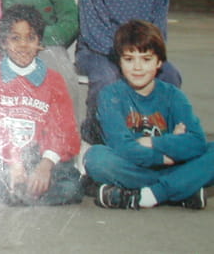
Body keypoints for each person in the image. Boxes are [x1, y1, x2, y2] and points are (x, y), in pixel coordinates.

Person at [85, 20, 214, 210]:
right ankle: (181, 189)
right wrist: (166, 156)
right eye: (129, 59)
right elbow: (121, 147)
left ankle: (149, 195)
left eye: (146, 59)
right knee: (96, 158)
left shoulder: (173, 95)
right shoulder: (110, 95)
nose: (137, 67)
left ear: (159, 62)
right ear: (119, 61)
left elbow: (197, 142)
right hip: (138, 165)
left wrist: (152, 142)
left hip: (165, 164)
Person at [78, 0, 182, 143]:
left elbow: (158, 31)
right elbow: (94, 31)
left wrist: (142, 57)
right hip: (99, 52)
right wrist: (126, 57)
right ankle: (99, 133)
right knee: (107, 77)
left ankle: (157, 135)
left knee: (170, 74)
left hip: (142, 52)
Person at [0, 5, 83, 206]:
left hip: (40, 155)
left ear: (39, 43)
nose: (23, 45)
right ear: (4, 42)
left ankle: (20, 195)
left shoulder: (54, 79)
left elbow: (64, 128)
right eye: (15, 38)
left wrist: (45, 165)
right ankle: (24, 194)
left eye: (31, 38)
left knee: (72, 186)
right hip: (5, 155)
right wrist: (14, 162)